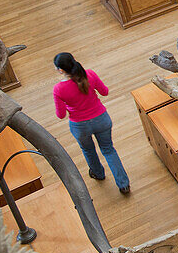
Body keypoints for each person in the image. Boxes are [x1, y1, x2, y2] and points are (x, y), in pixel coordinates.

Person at [52, 52, 130, 194]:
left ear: (61, 70)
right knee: (108, 150)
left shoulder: (58, 89)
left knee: (88, 150)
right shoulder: (89, 74)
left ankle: (98, 174)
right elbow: (105, 92)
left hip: (79, 126)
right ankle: (124, 184)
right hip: (101, 119)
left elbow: (61, 115)